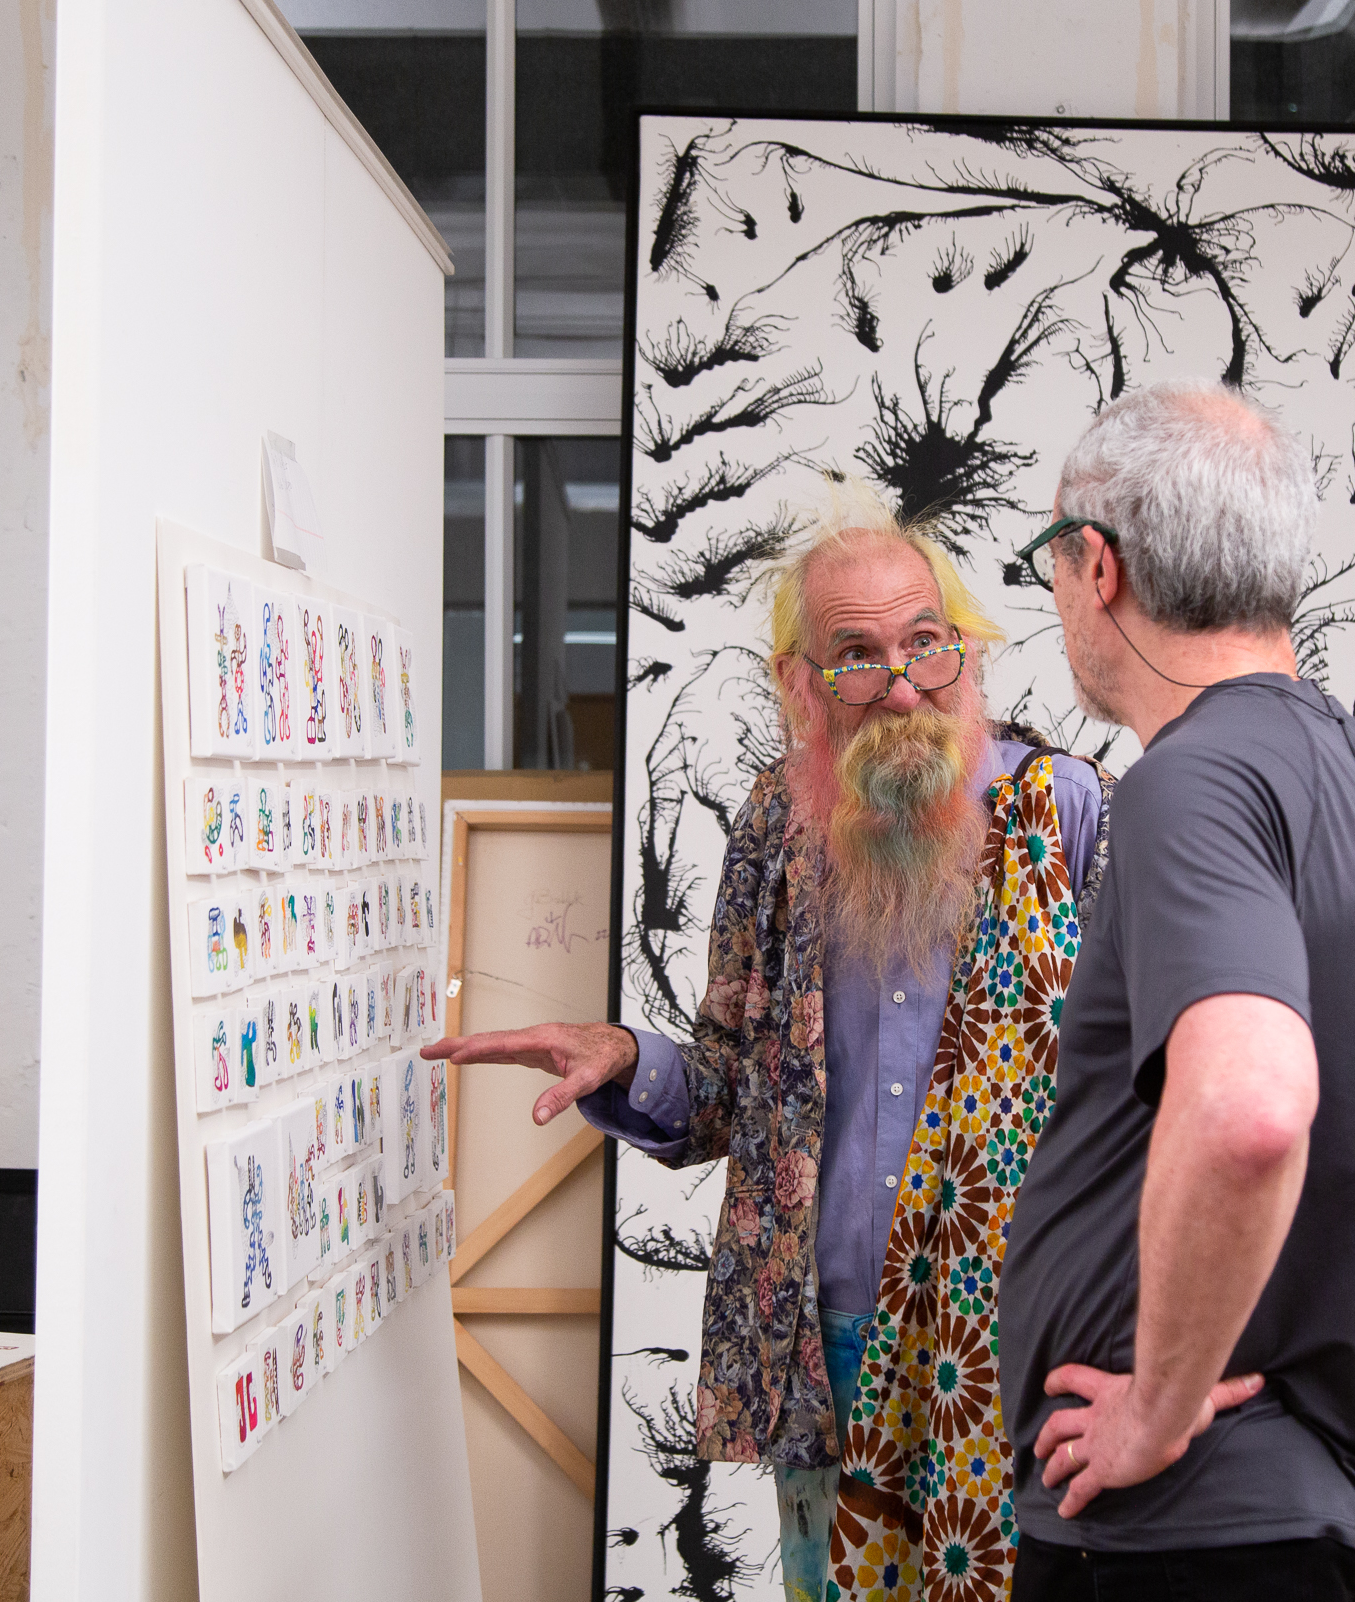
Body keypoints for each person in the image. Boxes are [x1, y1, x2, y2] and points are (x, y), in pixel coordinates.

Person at [424, 488, 1115, 1602]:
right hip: (825, 1339)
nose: (899, 684)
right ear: (801, 681)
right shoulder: (773, 828)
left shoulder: (1066, 810)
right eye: (856, 654)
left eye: (923, 644)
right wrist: (623, 1055)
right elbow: (726, 1088)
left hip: (1015, 1341)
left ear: (963, 648)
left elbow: (1143, 1096)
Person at [998, 383, 1355, 1602]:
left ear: (1098, 565)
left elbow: (1248, 1108)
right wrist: (1302, 1242)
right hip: (1306, 1537)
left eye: (1053, 563)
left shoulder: (1190, 782)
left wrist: (1157, 1410)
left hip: (1180, 1544)